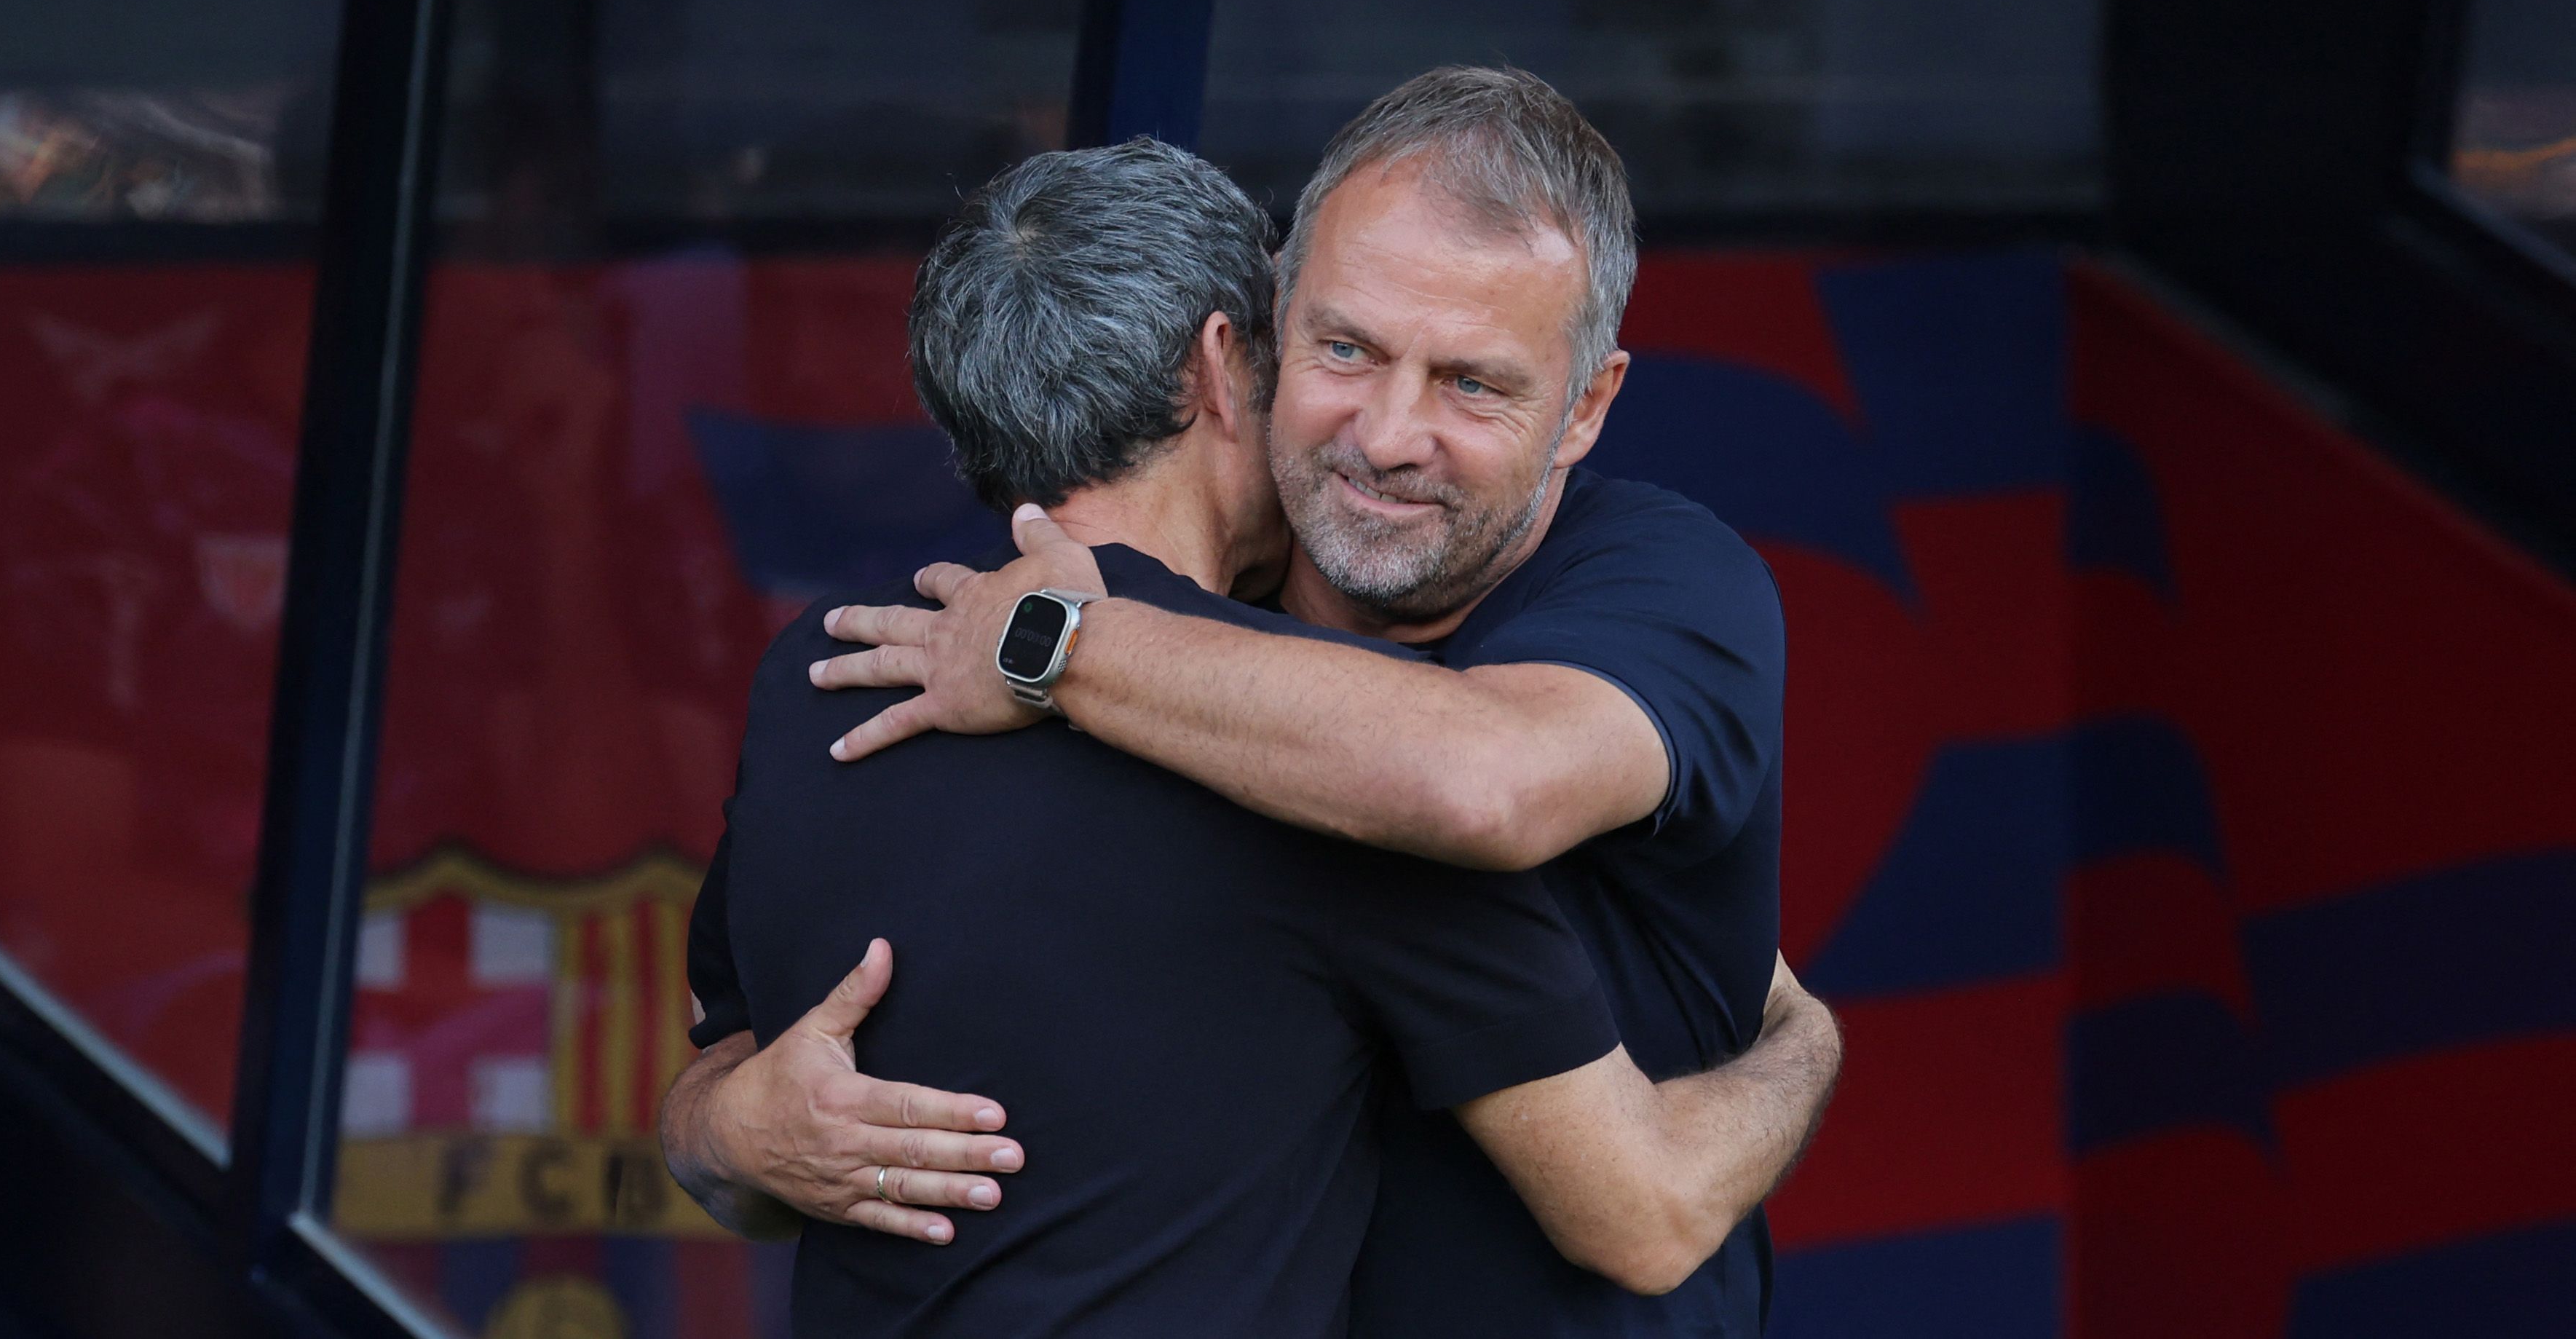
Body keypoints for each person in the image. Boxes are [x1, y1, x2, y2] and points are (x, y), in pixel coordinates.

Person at [659, 137, 1836, 1335]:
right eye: (1329, 350)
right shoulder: (1330, 763)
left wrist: (719, 1126)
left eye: (1467, 380)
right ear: (1228, 364)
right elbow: (1639, 1208)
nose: (1376, 439)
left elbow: (737, 1112)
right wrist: (1801, 1039)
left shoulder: (816, 678)